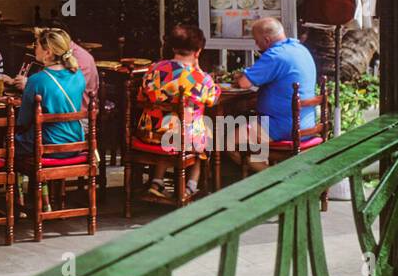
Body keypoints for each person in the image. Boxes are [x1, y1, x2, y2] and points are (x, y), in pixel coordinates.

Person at [136, 22, 220, 198]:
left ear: (173, 47)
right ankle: (190, 186)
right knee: (206, 133)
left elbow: (141, 97)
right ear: (198, 51)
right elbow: (212, 99)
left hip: (148, 133)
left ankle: (157, 182)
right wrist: (200, 70)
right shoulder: (201, 78)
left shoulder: (153, 69)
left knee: (168, 126)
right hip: (181, 139)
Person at [12, 27, 87, 173]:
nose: (35, 49)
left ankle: (21, 191)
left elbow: (23, 120)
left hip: (48, 145)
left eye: (37, 46)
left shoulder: (36, 81)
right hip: (75, 142)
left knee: (9, 143)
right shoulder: (78, 75)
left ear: (48, 52)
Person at [235, 17, 318, 148]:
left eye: (257, 41)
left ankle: (266, 169)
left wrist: (240, 75)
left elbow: (244, 83)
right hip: (306, 123)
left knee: (226, 141)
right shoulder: (301, 49)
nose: (257, 45)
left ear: (267, 40)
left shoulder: (274, 55)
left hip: (282, 126)